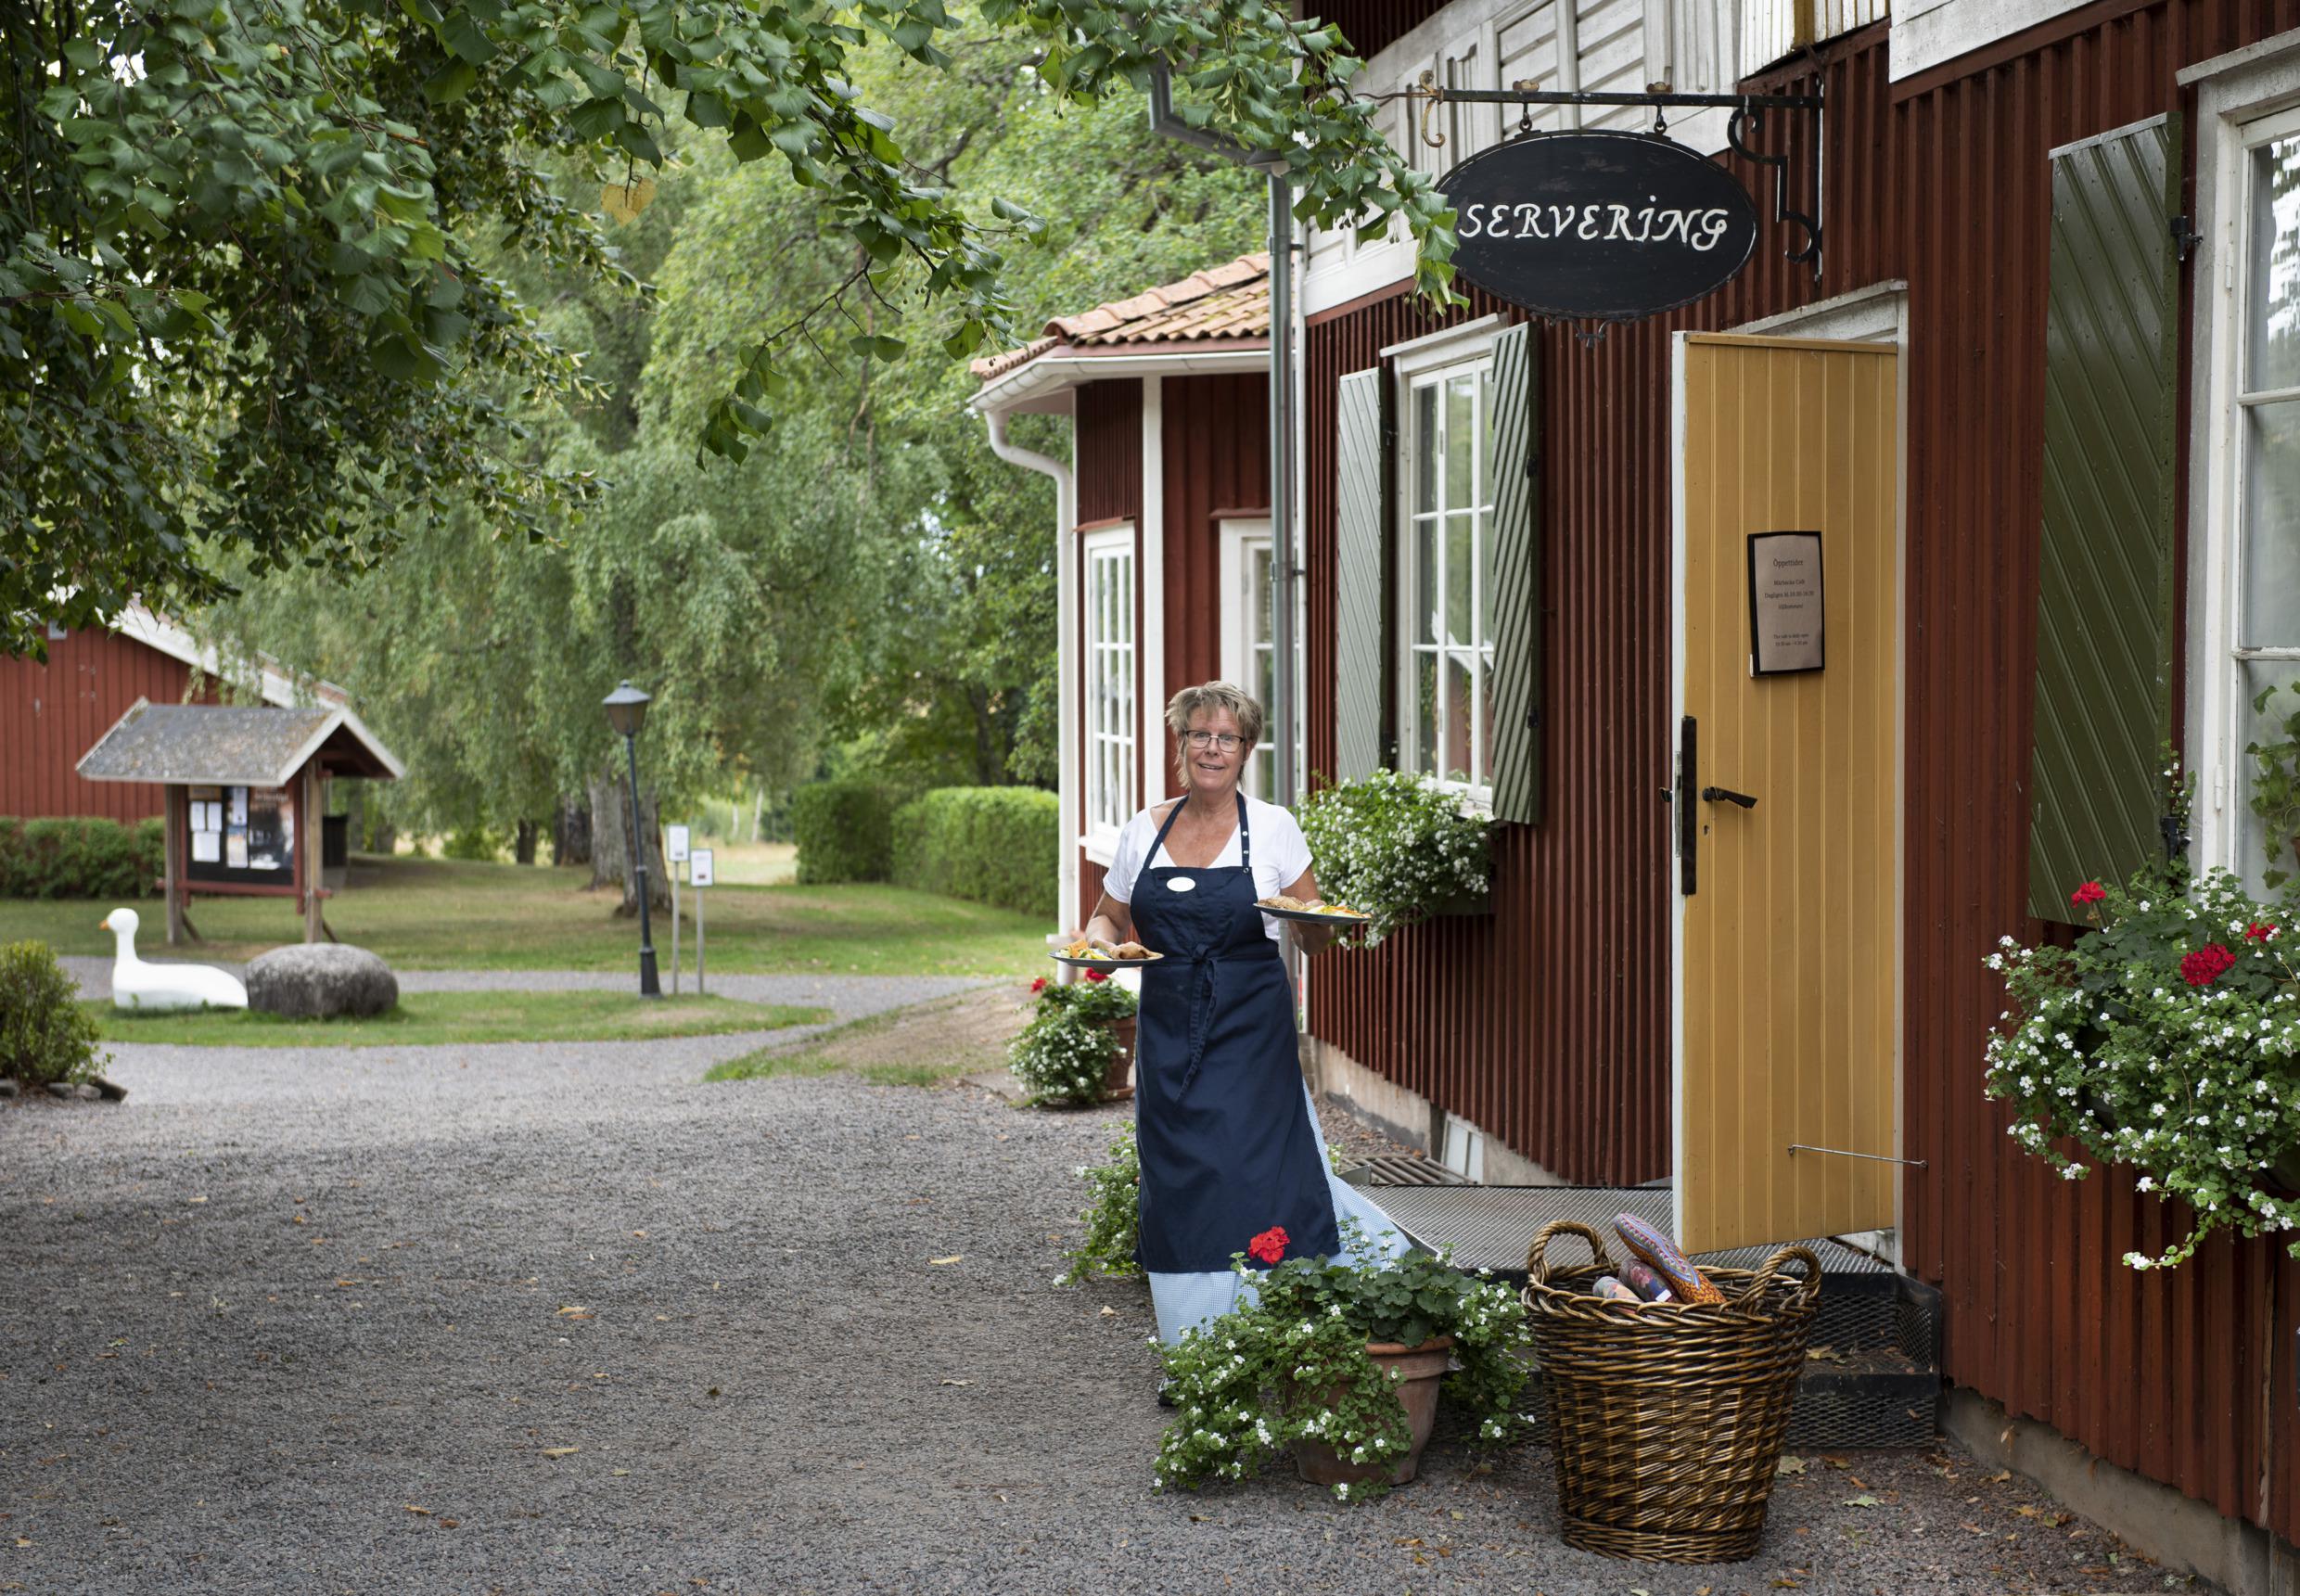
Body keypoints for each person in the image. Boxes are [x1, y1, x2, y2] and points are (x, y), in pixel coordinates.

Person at [1067, 681, 1409, 1373]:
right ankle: (1194, 1357)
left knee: (1259, 1175)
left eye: (1225, 737)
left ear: (1246, 749)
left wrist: (1324, 928)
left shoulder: (1275, 827)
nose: (1211, 748)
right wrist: (1100, 941)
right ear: (1181, 745)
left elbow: (1314, 938)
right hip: (1168, 1028)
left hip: (1251, 1031)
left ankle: (1267, 1340)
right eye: (1198, 735)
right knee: (1181, 1179)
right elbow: (1109, 915)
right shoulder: (1146, 828)